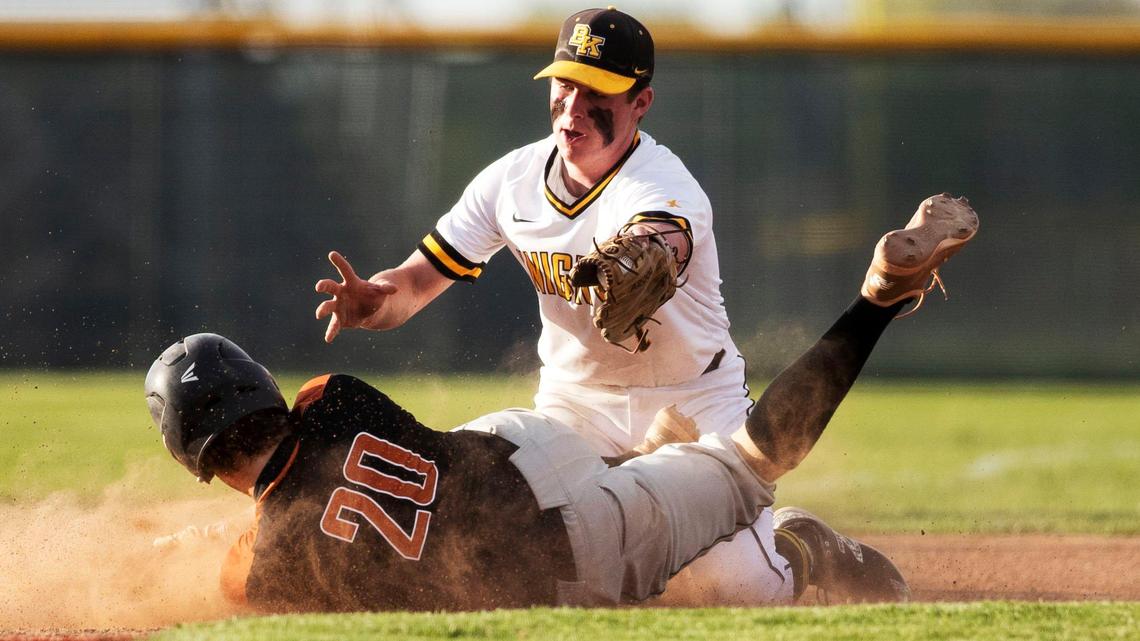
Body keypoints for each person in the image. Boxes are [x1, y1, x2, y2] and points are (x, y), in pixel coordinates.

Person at [148, 196, 978, 611]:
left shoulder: (255, 565)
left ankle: (785, 525)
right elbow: (333, 481)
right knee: (460, 452)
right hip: (526, 447)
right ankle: (877, 297)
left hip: (569, 551)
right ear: (264, 388)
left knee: (755, 464)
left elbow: (294, 530)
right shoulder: (331, 399)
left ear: (198, 459)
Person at [313, 6, 779, 603]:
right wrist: (376, 300)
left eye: (599, 91)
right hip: (574, 408)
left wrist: (646, 251)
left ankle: (799, 546)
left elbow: (667, 231)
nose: (575, 105)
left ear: (641, 102)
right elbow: (415, 282)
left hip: (693, 402)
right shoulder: (511, 181)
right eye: (566, 82)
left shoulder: (662, 184)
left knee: (731, 589)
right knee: (475, 513)